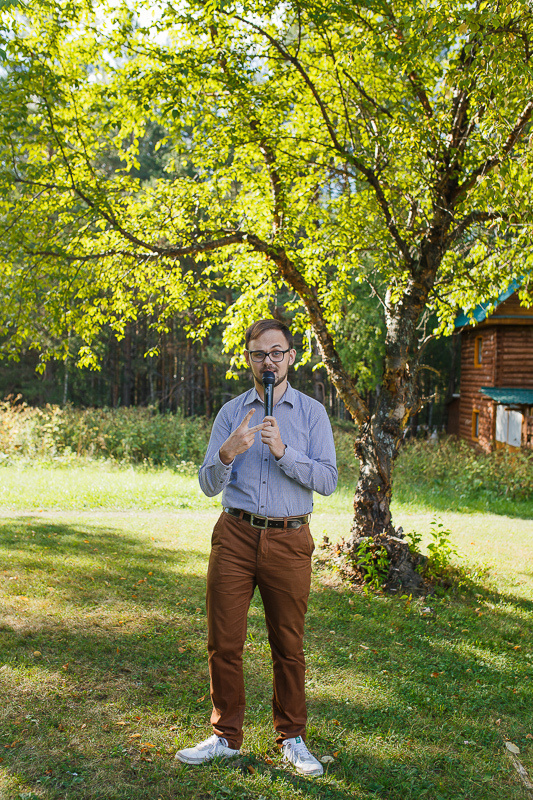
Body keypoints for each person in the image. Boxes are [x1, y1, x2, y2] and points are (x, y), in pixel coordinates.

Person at [175, 319, 337, 777]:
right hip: (235, 536)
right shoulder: (231, 413)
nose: (268, 363)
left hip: (289, 539)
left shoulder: (311, 414)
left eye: (276, 353)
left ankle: (292, 737)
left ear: (291, 357)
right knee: (223, 640)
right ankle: (226, 736)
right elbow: (208, 484)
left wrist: (285, 452)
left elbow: (328, 480)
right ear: (248, 359)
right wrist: (226, 453)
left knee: (288, 644)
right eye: (258, 354)